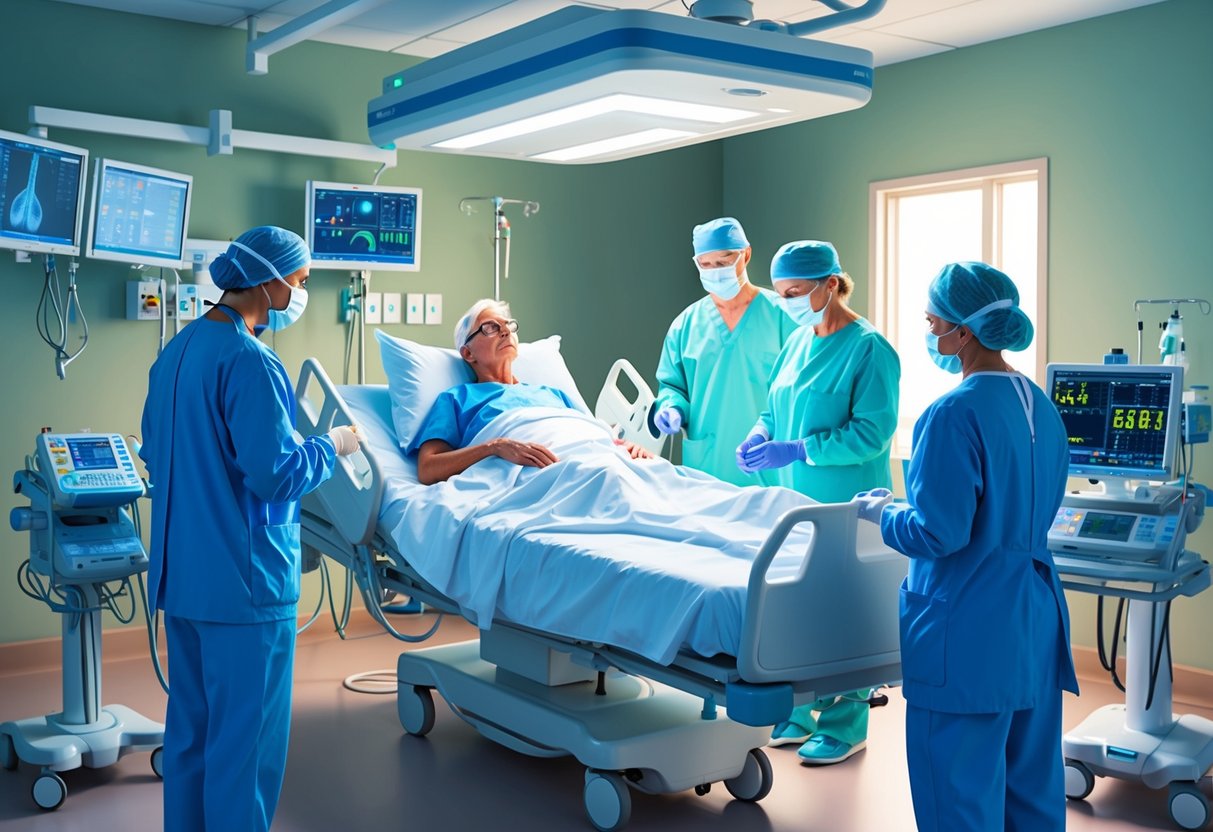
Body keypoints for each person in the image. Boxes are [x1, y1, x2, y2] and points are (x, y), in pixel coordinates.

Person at [139, 226, 361, 832]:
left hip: (183, 578)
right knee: (245, 748)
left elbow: (156, 454)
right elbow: (276, 474)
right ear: (268, 281)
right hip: (244, 588)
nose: (300, 292)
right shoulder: (251, 360)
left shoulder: (176, 353)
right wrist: (332, 445)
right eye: (301, 281)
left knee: (192, 734)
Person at [854, 262, 1077, 832]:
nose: (932, 337)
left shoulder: (953, 413)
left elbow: (938, 532)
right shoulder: (1042, 407)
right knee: (1032, 790)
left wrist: (882, 512)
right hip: (1033, 621)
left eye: (934, 324)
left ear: (966, 333)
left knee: (958, 796)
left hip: (969, 630)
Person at [736, 240, 900, 765]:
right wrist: (760, 435)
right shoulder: (798, 341)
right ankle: (798, 710)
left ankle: (846, 722)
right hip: (789, 499)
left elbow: (872, 434)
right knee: (796, 604)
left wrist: (799, 447)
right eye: (782, 292)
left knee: (841, 608)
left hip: (846, 506)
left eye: (796, 292)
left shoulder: (870, 348)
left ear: (831, 283)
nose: (787, 301)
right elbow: (774, 406)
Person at [413, 299, 652, 484]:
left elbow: (591, 437)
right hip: (549, 474)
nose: (505, 331)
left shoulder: (553, 394)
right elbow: (428, 469)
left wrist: (628, 447)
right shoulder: (458, 399)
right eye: (490, 328)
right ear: (468, 353)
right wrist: (495, 447)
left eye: (508, 325)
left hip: (602, 461)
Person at [653, 217, 797, 486]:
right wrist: (671, 407)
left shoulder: (783, 316)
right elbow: (672, 386)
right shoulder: (685, 325)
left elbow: (802, 388)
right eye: (705, 264)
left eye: (723, 262)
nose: (715, 271)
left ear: (747, 255)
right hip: (707, 467)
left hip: (770, 466)